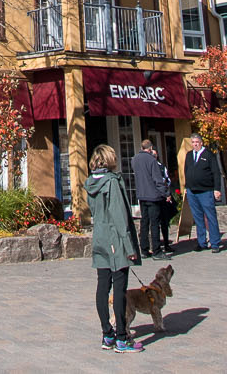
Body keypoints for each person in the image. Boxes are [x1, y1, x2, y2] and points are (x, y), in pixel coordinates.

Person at [86, 145, 142, 353]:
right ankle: (121, 337)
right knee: (119, 288)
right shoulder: (111, 182)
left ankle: (106, 334)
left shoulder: (91, 183)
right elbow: (119, 216)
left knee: (103, 285)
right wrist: (128, 246)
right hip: (115, 239)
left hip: (99, 236)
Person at [131, 141, 174, 259]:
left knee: (144, 222)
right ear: (150, 148)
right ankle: (156, 250)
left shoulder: (134, 159)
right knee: (155, 223)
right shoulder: (151, 160)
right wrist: (166, 193)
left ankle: (144, 249)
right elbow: (157, 179)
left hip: (141, 195)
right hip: (153, 196)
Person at [182, 133, 224, 252]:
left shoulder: (209, 155)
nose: (195, 144)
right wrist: (187, 187)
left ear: (201, 143)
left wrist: (217, 189)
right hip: (192, 191)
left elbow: (216, 173)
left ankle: (215, 243)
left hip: (205, 191)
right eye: (193, 142)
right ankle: (202, 242)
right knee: (197, 218)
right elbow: (186, 171)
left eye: (196, 142)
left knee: (210, 216)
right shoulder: (189, 155)